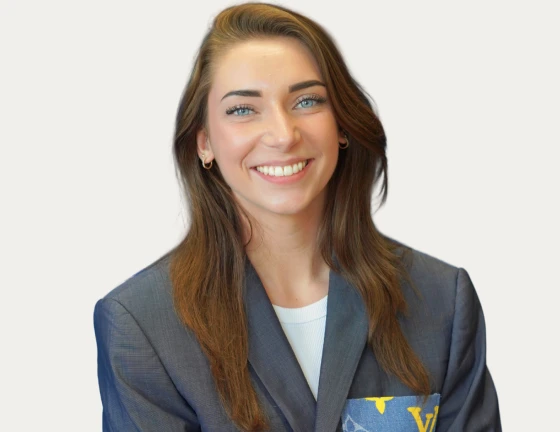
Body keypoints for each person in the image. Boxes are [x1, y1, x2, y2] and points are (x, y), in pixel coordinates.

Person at [94, 3, 501, 431]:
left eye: (307, 101)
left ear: (341, 125)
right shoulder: (142, 325)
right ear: (204, 142)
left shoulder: (441, 300)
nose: (284, 135)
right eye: (243, 109)